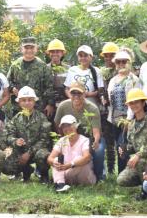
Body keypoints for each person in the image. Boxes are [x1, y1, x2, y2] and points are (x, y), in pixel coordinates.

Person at [55, 82, 104, 181]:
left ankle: (99, 176)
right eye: (73, 93)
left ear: (84, 94)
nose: (76, 96)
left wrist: (95, 141)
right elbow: (57, 124)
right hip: (70, 138)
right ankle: (59, 176)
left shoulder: (92, 108)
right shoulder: (63, 106)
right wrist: (62, 138)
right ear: (69, 93)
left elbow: (96, 131)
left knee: (98, 150)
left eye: (79, 93)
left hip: (88, 138)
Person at [2, 86, 51, 182]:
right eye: (23, 100)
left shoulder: (42, 118)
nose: (27, 103)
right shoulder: (15, 119)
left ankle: (44, 175)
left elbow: (44, 140)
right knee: (6, 163)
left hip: (37, 151)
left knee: (43, 155)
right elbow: (8, 136)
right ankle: (26, 171)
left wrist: (29, 153)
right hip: (21, 151)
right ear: (19, 102)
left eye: (30, 100)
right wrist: (15, 141)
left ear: (34, 101)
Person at [107, 49, 141, 174]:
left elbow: (136, 101)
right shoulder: (113, 79)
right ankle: (122, 173)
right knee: (118, 146)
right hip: (114, 119)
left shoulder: (133, 80)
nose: (121, 64)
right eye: (118, 62)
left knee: (124, 146)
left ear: (129, 63)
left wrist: (129, 119)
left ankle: (126, 174)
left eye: (124, 61)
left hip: (128, 118)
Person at [117, 89, 147, 187]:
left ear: (143, 103)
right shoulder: (131, 124)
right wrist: (125, 149)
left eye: (136, 102)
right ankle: (144, 182)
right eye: (131, 103)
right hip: (137, 161)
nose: (133, 105)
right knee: (121, 180)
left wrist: (137, 155)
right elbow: (132, 145)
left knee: (140, 161)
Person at [7, 37, 54, 118]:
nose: (29, 50)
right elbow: (7, 82)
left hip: (38, 108)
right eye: (26, 48)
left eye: (32, 48)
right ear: (21, 49)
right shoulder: (15, 65)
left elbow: (49, 86)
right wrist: (12, 88)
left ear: (36, 49)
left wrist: (50, 104)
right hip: (18, 108)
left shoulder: (43, 66)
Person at [47, 115, 96, 192]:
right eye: (64, 126)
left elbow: (87, 158)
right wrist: (54, 162)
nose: (66, 128)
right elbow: (50, 158)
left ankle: (58, 180)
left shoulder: (85, 140)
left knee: (79, 159)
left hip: (84, 178)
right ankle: (60, 185)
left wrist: (70, 165)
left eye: (69, 125)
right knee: (56, 160)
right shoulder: (62, 140)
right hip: (68, 176)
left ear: (76, 126)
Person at [100, 42, 119, 175]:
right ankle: (111, 169)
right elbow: (100, 89)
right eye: (105, 56)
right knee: (109, 142)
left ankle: (121, 168)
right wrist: (102, 96)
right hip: (105, 111)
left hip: (119, 112)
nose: (108, 58)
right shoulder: (101, 72)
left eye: (111, 56)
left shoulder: (121, 72)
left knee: (120, 141)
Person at [46, 39, 69, 111]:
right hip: (48, 106)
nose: (55, 54)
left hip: (65, 104)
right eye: (52, 51)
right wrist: (49, 104)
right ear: (49, 53)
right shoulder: (44, 68)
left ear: (62, 53)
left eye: (58, 51)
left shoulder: (69, 69)